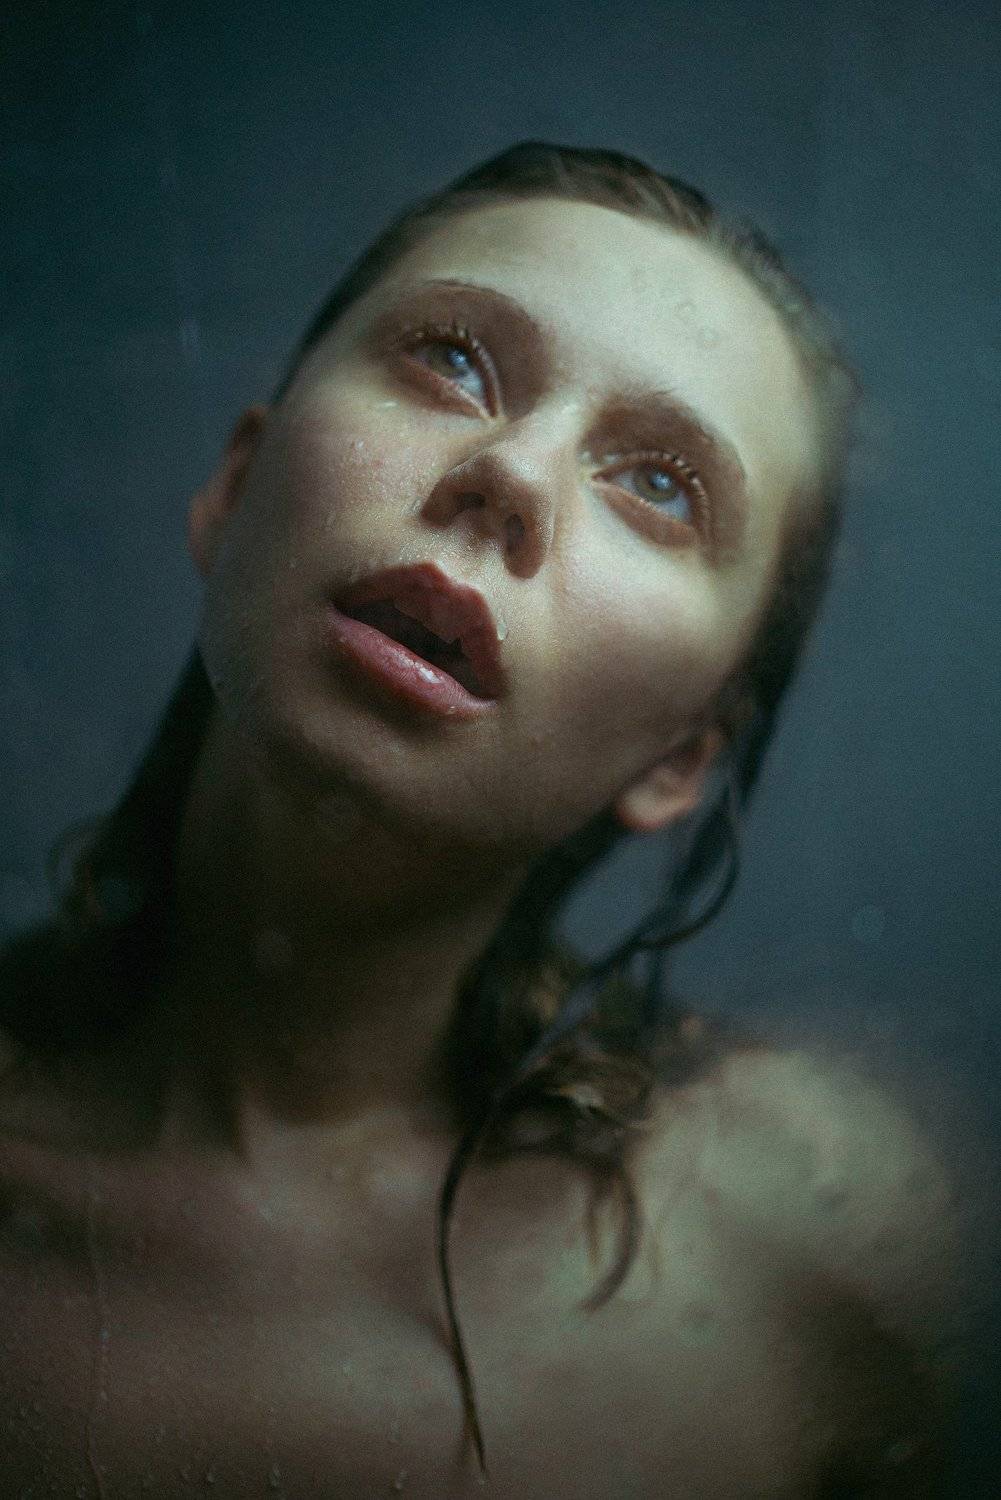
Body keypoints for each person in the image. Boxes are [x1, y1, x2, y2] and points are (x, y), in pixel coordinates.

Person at [0, 143, 958, 1498]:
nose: (510, 473)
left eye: (661, 485)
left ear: (680, 757)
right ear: (236, 487)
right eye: (452, 361)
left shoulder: (813, 1251)